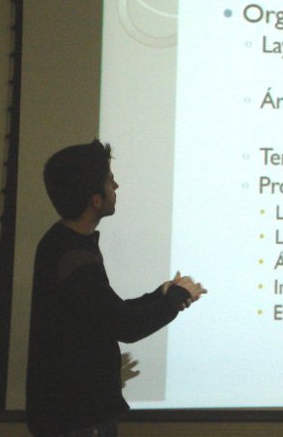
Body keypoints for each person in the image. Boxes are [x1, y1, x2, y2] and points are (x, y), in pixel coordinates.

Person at [26, 140, 206, 437]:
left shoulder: (64, 243)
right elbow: (125, 325)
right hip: (77, 422)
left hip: (74, 418)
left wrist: (160, 296)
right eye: (110, 181)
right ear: (95, 200)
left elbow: (106, 312)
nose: (117, 186)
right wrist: (175, 299)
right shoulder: (73, 257)